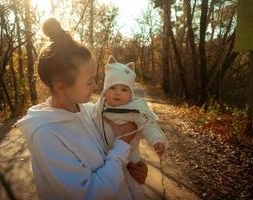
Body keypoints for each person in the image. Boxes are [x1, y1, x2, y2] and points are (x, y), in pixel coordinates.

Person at [14, 18, 148, 200]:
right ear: (61, 86)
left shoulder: (88, 111)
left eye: (95, 78)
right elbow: (89, 192)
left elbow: (107, 154)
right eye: (89, 81)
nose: (96, 85)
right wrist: (122, 148)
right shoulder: (46, 134)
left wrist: (130, 166)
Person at [91, 55, 169, 199]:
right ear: (105, 90)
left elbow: (149, 126)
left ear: (130, 93)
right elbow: (91, 121)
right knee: (113, 188)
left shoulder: (135, 109)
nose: (118, 92)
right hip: (105, 155)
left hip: (130, 156)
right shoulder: (99, 107)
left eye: (124, 89)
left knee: (134, 186)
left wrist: (157, 140)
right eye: (112, 87)